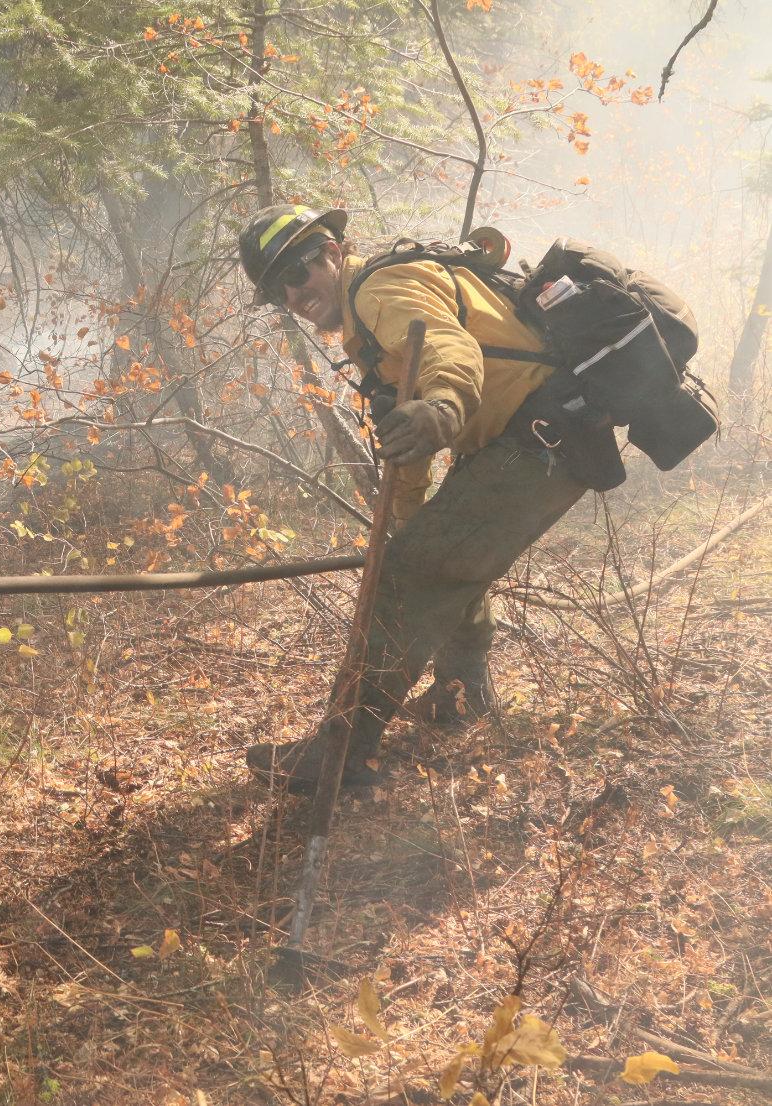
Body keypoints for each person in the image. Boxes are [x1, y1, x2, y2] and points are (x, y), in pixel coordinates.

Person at [236, 204, 588, 791]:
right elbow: (409, 438)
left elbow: (452, 350)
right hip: (538, 439)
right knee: (438, 558)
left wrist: (444, 405)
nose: (293, 296)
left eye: (296, 274)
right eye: (277, 291)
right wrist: (407, 517)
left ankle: (340, 753)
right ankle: (461, 700)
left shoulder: (379, 288)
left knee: (413, 574)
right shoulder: (364, 331)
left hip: (539, 439)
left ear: (329, 252)